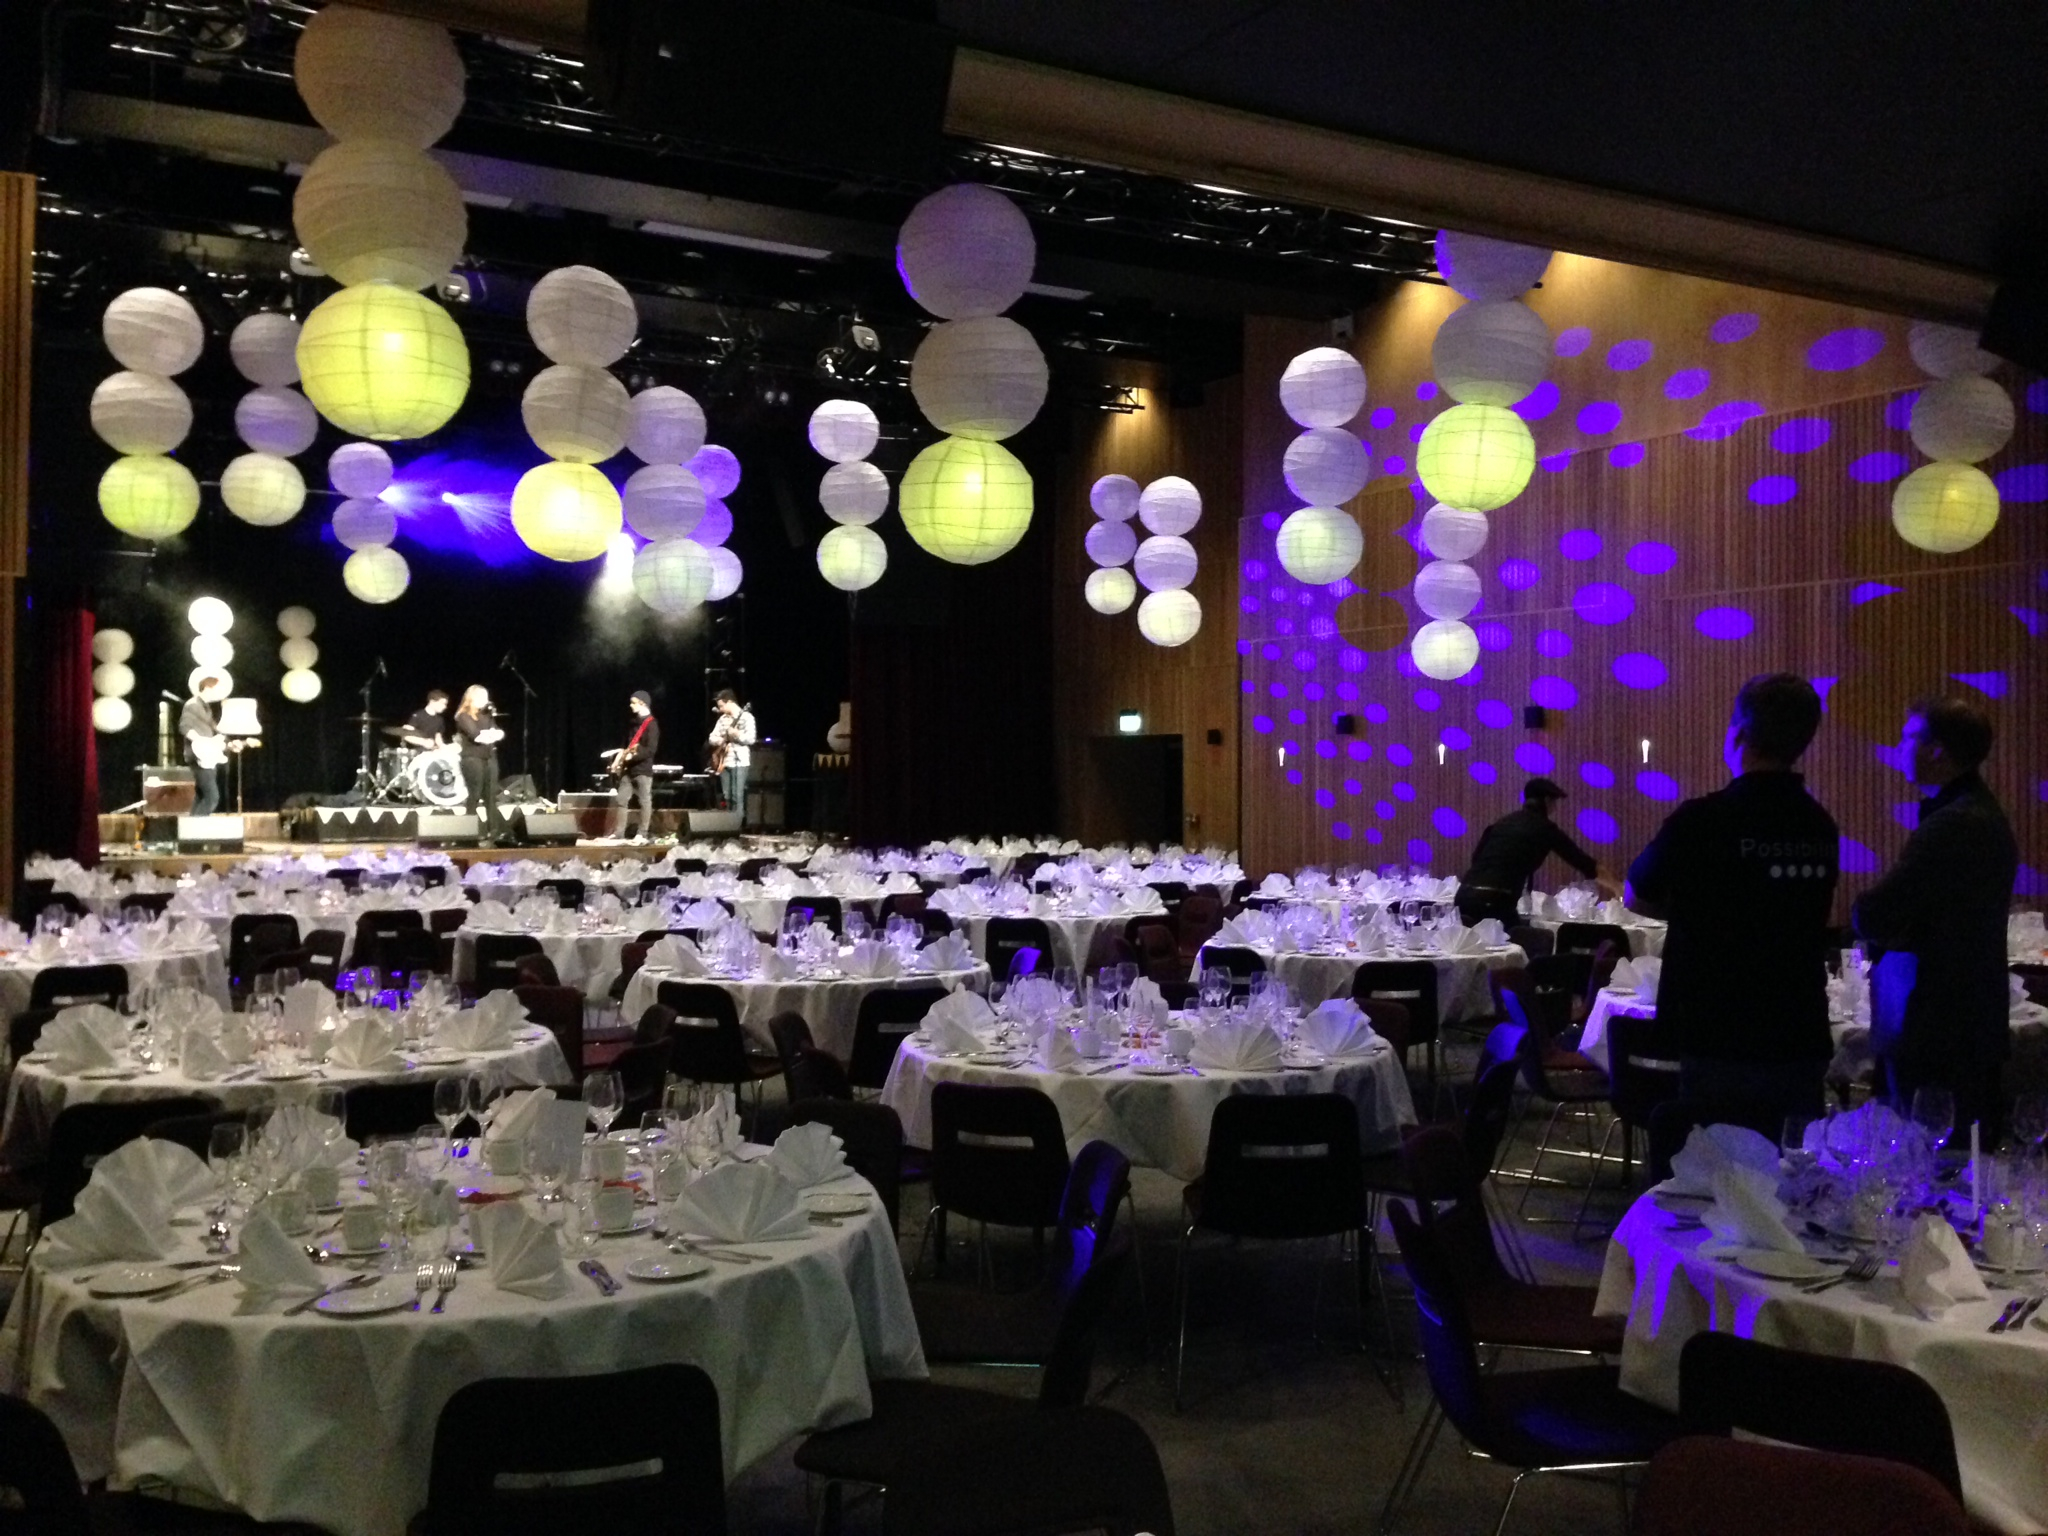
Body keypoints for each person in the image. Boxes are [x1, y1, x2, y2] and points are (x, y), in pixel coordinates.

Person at [1626, 673, 1839, 1124]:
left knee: (1717, 1158)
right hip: (1798, 1025)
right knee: (1791, 1159)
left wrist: (1695, 912)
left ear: (1739, 734)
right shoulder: (1819, 825)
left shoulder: (1701, 820)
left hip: (1716, 1027)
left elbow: (1636, 894)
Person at [1853, 696, 2018, 1140]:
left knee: (1928, 1154)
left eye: (1909, 737)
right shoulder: (1979, 814)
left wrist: (1864, 912)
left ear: (1937, 750)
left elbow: (1877, 912)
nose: (1898, 746)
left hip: (1938, 1024)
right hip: (1969, 1020)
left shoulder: (1953, 824)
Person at [1455, 777, 1618, 927]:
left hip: (1464, 896)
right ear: (1547, 801)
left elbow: (1476, 859)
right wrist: (1618, 888)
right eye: (1554, 802)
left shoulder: (1501, 823)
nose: (1555, 808)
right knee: (1519, 943)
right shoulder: (1545, 828)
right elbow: (1583, 862)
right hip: (1496, 900)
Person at [453, 684, 507, 845]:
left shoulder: (486, 715)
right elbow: (476, 736)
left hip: (489, 758)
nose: (486, 700)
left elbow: (499, 732)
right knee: (475, 795)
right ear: (472, 698)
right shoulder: (463, 716)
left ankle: (495, 832)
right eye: (483, 697)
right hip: (472, 759)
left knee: (491, 796)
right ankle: (468, 833)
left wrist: (492, 734)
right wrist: (490, 735)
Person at [610, 690, 660, 843]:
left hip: (643, 769)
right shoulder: (633, 723)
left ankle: (642, 833)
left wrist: (634, 756)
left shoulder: (651, 724)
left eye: (633, 703)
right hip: (629, 769)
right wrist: (618, 761)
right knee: (621, 799)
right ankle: (619, 832)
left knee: (644, 801)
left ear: (643, 703)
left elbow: (651, 749)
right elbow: (626, 746)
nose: (630, 705)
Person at [179, 674, 229, 816]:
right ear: (207, 687)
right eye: (217, 689)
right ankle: (196, 828)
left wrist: (226, 744)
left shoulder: (205, 708)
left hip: (206, 756)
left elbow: (213, 733)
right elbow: (185, 727)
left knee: (201, 796)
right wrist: (203, 742)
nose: (220, 693)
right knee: (212, 797)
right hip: (199, 756)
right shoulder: (193, 705)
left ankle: (191, 827)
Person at [708, 689, 756, 820]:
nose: (720, 709)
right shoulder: (722, 719)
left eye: (722, 706)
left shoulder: (747, 717)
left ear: (730, 702)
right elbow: (712, 737)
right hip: (724, 762)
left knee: (737, 796)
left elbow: (751, 739)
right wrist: (721, 742)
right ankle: (728, 824)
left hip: (740, 761)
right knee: (727, 796)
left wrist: (737, 734)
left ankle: (737, 825)